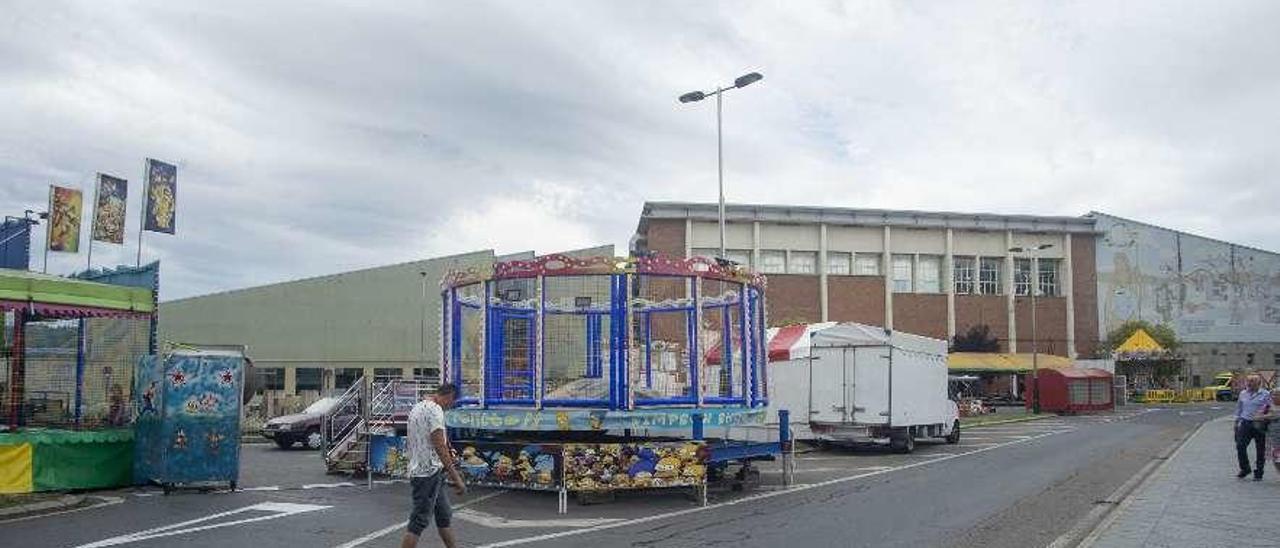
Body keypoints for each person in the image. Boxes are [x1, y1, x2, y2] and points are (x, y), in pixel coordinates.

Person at [400, 384, 466, 548]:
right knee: (418, 521)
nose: (450, 406)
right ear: (449, 396)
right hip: (427, 472)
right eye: (452, 402)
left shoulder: (417, 407)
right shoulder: (435, 410)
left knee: (444, 516)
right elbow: (440, 446)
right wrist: (456, 477)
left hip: (427, 470)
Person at [1233, 375, 1270, 481]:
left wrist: (1265, 417)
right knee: (1240, 446)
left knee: (1260, 449)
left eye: (1252, 381)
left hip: (1260, 424)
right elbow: (1239, 408)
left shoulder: (1266, 394)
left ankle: (1259, 472)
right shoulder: (1243, 393)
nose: (1249, 383)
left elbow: (1270, 408)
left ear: (1258, 383)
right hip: (1245, 423)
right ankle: (1245, 468)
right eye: (1248, 381)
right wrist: (1236, 422)